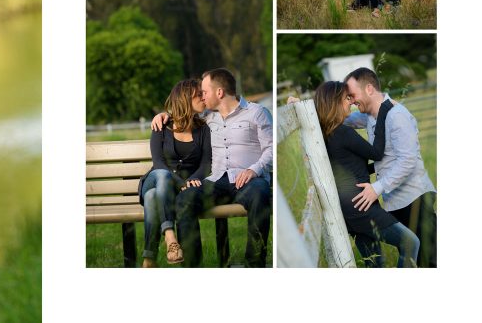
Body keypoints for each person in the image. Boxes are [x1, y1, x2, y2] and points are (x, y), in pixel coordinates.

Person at [151, 68, 272, 267]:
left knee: (260, 194)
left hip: (249, 180)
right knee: (184, 199)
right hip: (216, 181)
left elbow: (271, 148)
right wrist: (165, 115)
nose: (202, 96)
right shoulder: (208, 117)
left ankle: (254, 264)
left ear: (219, 93)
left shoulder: (257, 113)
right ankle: (192, 266)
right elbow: (184, 111)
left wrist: (254, 170)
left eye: (204, 92)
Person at [299, 82, 418, 267]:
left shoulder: (324, 134)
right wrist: (384, 110)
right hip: (361, 206)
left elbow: (353, 167)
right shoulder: (343, 132)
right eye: (347, 98)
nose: (351, 103)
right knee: (410, 243)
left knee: (375, 264)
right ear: (335, 102)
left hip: (350, 208)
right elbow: (377, 153)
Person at [343, 67, 436, 267]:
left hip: (415, 198)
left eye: (352, 95)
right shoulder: (369, 116)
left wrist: (376, 188)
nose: (350, 101)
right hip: (395, 202)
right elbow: (342, 117)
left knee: (431, 260)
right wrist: (309, 106)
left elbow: (407, 160)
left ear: (369, 89)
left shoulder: (397, 115)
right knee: (414, 259)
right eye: (348, 98)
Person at [138, 79, 211, 267]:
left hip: (170, 191)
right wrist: (181, 182)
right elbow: (159, 163)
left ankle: (149, 259)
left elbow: (205, 164)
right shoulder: (161, 125)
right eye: (199, 94)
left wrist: (193, 179)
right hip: (156, 179)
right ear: (186, 98)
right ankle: (170, 237)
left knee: (152, 197)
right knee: (162, 175)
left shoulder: (204, 129)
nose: (204, 97)